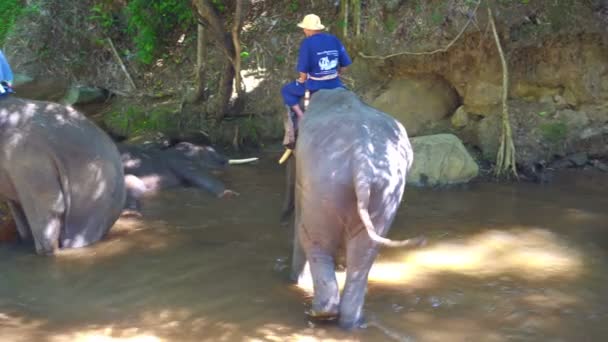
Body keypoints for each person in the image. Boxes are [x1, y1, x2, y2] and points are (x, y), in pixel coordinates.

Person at [280, 14, 352, 148]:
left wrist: (301, 80)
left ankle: (301, 116)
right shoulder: (334, 39)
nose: (304, 31)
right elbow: (345, 65)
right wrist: (336, 74)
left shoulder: (307, 43)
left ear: (307, 29)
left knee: (286, 91)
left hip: (315, 85)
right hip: (335, 83)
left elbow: (303, 71)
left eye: (304, 29)